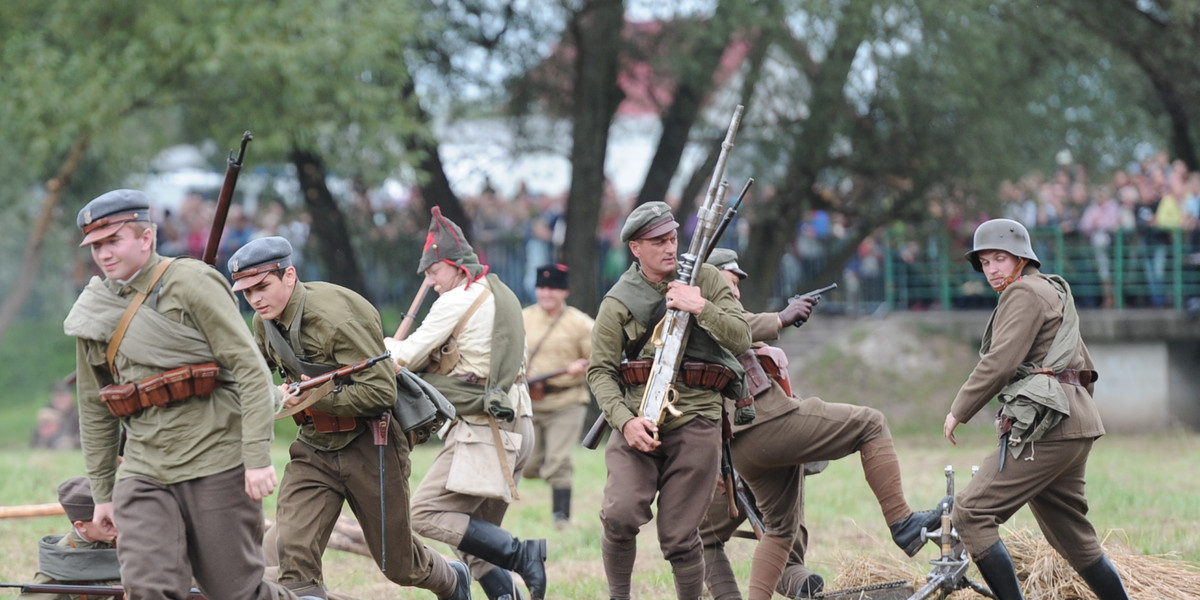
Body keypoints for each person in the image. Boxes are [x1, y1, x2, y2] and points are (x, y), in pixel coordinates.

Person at [62, 189, 307, 600]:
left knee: (236, 591)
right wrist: (103, 492)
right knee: (148, 587)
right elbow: (94, 406)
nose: (103, 254)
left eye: (113, 241)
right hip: (144, 470)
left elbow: (249, 369)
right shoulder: (94, 309)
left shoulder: (192, 283)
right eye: (96, 245)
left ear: (146, 238)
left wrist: (256, 458)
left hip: (216, 461)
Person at [227, 236, 471, 600]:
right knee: (293, 555)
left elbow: (380, 393)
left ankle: (452, 579)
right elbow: (256, 380)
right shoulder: (264, 325)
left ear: (289, 276)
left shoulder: (337, 318)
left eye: (263, 286)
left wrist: (312, 398)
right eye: (247, 293)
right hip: (314, 446)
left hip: (371, 443)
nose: (256, 299)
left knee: (399, 564)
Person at [700, 248, 944, 600]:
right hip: (764, 425)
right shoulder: (708, 312)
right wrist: (782, 316)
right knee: (871, 424)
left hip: (741, 444)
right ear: (710, 279)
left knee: (780, 530)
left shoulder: (709, 314)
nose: (736, 292)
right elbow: (737, 329)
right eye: (731, 282)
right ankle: (903, 523)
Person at [944, 218, 1130, 600]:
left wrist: (958, 409)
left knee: (970, 513)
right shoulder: (1052, 290)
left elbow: (1001, 362)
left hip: (1049, 427)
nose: (992, 269)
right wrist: (1078, 415)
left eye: (1000, 259)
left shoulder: (1023, 293)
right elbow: (1084, 362)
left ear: (1021, 259)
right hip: (1072, 424)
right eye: (984, 261)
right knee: (1074, 539)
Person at [586, 202, 752, 600]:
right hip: (638, 419)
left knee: (679, 537)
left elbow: (741, 337)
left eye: (673, 238)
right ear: (635, 248)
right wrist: (626, 422)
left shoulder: (708, 280)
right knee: (620, 515)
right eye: (658, 241)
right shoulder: (618, 301)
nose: (670, 248)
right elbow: (600, 372)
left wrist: (700, 306)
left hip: (698, 418)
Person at [385, 207, 547, 600]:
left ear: (455, 266)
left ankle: (522, 554)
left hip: (485, 428)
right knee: (473, 539)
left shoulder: (457, 300)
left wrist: (386, 347)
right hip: (518, 424)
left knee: (425, 511)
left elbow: (405, 357)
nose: (430, 281)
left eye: (433, 272)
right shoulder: (498, 291)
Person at [520, 263, 593, 525]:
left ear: (565, 292)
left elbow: (597, 361)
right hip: (530, 400)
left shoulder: (581, 323)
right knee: (526, 466)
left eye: (553, 288)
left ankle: (561, 519)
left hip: (567, 400)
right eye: (542, 288)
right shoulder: (523, 318)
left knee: (558, 462)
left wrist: (580, 368)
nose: (546, 293)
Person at [17, 477, 119, 600]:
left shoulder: (128, 539)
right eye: (106, 521)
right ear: (81, 526)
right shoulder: (63, 560)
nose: (117, 524)